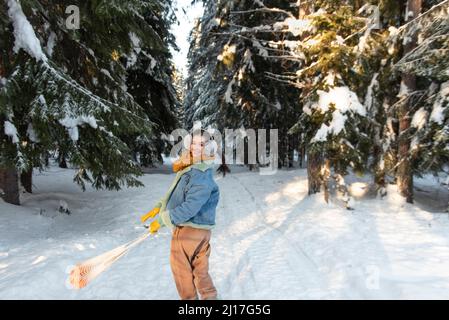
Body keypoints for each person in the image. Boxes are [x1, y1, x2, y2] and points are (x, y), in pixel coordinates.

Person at [141, 130, 220, 300]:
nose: (196, 148)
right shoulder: (193, 168)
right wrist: (159, 206)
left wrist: (164, 219)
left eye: (201, 144)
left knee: (182, 271)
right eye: (193, 143)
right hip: (200, 231)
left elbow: (191, 206)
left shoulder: (200, 173)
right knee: (200, 271)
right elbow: (179, 194)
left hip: (188, 230)